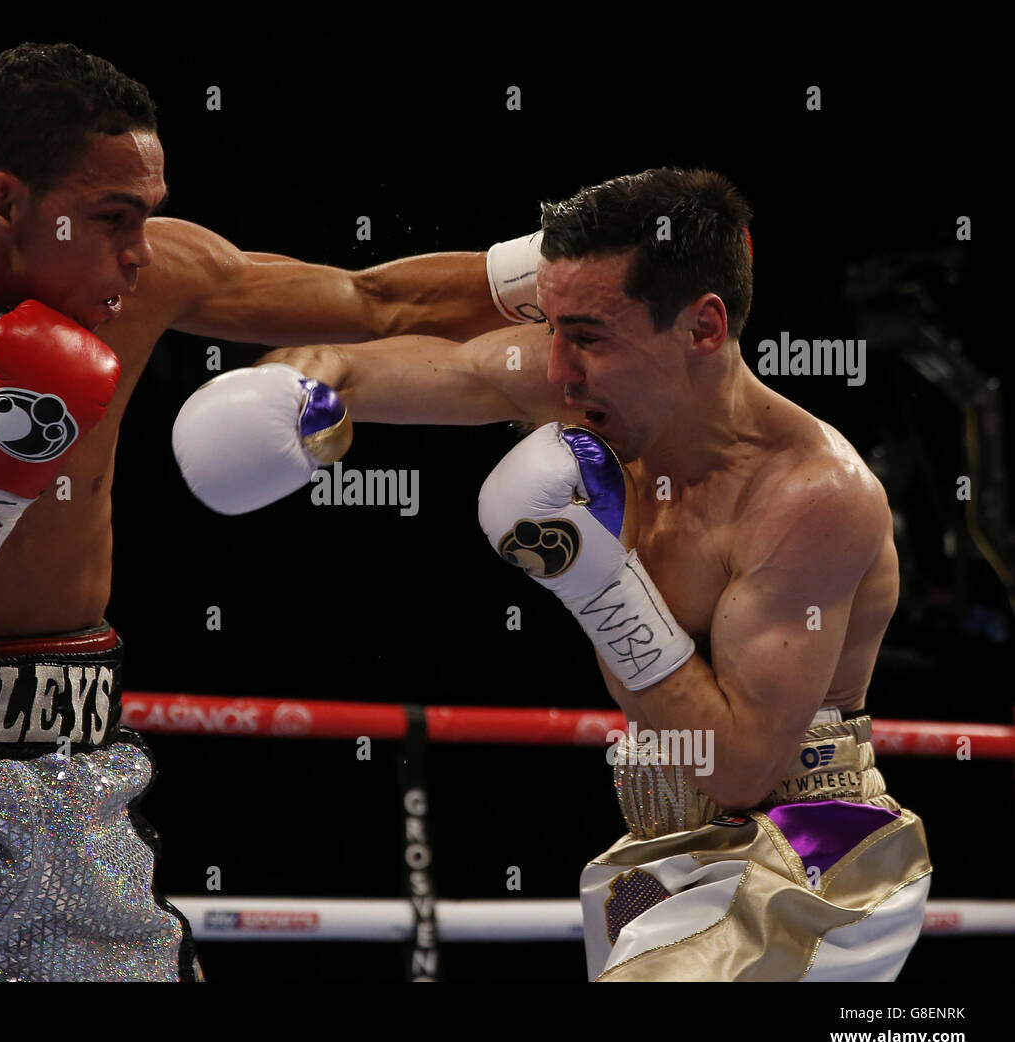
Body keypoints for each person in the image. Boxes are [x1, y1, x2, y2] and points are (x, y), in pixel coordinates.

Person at [0, 42, 528, 982]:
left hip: (72, 771)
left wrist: (563, 268)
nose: (141, 253)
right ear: (3, 203)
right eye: (112, 219)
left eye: (146, 214)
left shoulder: (143, 280)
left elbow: (374, 298)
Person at [181, 167, 931, 981]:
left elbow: (740, 763)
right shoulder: (581, 391)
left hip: (807, 853)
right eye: (551, 327)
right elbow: (389, 372)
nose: (558, 367)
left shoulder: (811, 496)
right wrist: (304, 383)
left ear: (703, 327)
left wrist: (596, 577)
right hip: (661, 850)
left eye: (591, 335)